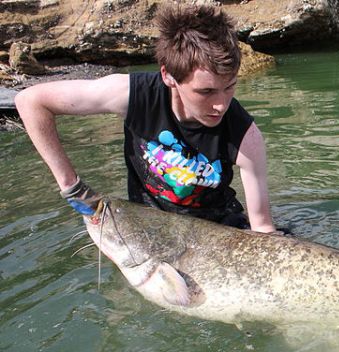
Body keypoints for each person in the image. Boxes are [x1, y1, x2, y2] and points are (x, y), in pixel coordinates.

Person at [15, 4, 280, 233]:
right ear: (169, 77)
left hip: (219, 228)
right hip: (148, 226)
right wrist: (72, 188)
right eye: (206, 91)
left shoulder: (246, 137)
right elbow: (30, 101)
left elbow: (263, 227)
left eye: (230, 86)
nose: (221, 104)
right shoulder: (134, 96)